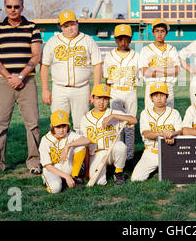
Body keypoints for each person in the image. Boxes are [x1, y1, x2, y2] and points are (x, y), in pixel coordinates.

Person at [0, 0, 42, 176]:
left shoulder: (32, 27)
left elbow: (36, 55)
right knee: (1, 125)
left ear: (22, 7)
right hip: (4, 83)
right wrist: (10, 76)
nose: (13, 10)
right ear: (4, 6)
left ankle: (35, 162)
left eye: (16, 6)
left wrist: (21, 76)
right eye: (9, 6)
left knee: (32, 124)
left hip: (28, 81)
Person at [60, 84, 137, 185]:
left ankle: (118, 173)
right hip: (96, 154)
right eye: (98, 98)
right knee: (100, 182)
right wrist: (87, 170)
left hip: (113, 151)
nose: (101, 102)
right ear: (92, 98)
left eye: (105, 99)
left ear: (109, 100)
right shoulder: (85, 118)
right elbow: (85, 145)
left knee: (121, 146)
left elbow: (134, 120)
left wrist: (113, 116)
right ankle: (101, 172)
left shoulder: (113, 112)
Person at [40, 10, 102, 133]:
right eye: (65, 26)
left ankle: (81, 151)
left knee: (82, 125)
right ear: (61, 27)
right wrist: (45, 89)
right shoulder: (53, 41)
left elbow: (97, 64)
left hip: (81, 88)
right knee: (58, 124)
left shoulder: (88, 40)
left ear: (77, 23)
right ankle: (60, 151)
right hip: (59, 89)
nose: (70, 28)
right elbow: (45, 66)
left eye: (72, 24)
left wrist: (95, 88)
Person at [131, 82, 183, 182]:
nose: (159, 98)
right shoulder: (145, 113)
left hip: (170, 151)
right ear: (151, 98)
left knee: (178, 177)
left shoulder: (174, 113)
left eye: (162, 95)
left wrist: (173, 134)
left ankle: (164, 168)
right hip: (151, 152)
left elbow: (181, 131)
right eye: (155, 95)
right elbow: (146, 133)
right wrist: (161, 134)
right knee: (136, 179)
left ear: (167, 97)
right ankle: (156, 167)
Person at [102, 24, 139, 161]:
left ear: (130, 39)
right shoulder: (109, 57)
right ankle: (118, 155)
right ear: (115, 40)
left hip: (130, 91)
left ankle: (129, 156)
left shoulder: (137, 56)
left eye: (126, 39)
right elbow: (107, 80)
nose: (123, 42)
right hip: (115, 92)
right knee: (117, 125)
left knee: (130, 126)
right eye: (120, 39)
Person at [39, 110, 86, 193]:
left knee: (80, 146)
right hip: (53, 169)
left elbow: (86, 140)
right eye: (58, 127)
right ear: (51, 126)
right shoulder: (45, 140)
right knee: (55, 188)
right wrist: (66, 176)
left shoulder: (70, 134)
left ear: (68, 126)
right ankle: (61, 180)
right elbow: (48, 167)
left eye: (64, 126)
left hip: (66, 165)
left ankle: (75, 177)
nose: (61, 130)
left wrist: (68, 146)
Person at [139, 18, 180, 109]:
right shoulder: (145, 50)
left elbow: (176, 70)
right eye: (157, 31)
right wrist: (168, 70)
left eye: (162, 31)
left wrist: (155, 69)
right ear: (153, 33)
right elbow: (145, 72)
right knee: (151, 117)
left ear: (166, 33)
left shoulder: (172, 49)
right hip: (152, 88)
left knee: (169, 117)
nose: (159, 34)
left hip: (168, 87)